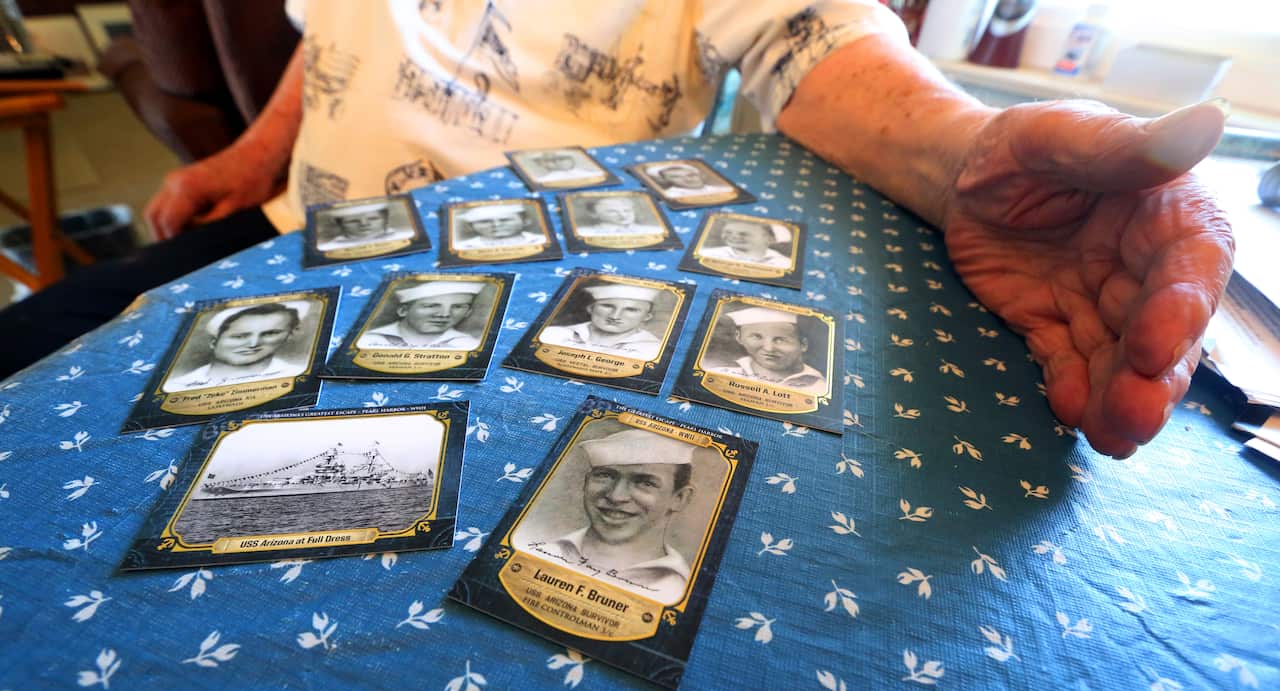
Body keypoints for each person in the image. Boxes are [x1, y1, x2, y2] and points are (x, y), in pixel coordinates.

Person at [5, 1, 1233, 459]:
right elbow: (332, 37)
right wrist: (246, 155)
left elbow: (822, 44)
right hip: (287, 236)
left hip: (526, 297)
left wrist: (965, 154)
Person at [530, 428, 696, 606]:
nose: (616, 496)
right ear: (586, 482)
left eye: (645, 483)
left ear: (680, 498)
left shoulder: (679, 590)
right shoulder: (541, 551)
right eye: (605, 476)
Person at [163, 302, 308, 392]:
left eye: (270, 334)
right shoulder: (176, 386)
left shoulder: (299, 374)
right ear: (214, 342)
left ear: (289, 335)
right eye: (240, 336)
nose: (253, 344)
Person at [711, 306, 826, 391]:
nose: (769, 348)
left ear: (803, 344)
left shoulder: (819, 388)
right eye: (757, 337)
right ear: (739, 337)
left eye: (780, 340)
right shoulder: (718, 374)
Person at [540, 283, 663, 360]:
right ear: (591, 308)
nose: (615, 316)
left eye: (631, 310)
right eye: (607, 306)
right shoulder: (552, 334)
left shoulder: (653, 349)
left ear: (647, 317)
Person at [356, 280, 483, 349]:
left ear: (468, 312)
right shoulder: (368, 340)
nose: (444, 314)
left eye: (457, 307)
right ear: (403, 310)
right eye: (431, 306)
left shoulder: (469, 345)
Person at [315, 200, 413, 250]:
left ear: (385, 219)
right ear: (340, 224)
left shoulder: (404, 235)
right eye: (353, 221)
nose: (364, 224)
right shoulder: (329, 245)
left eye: (373, 218)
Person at [699, 219, 792, 268]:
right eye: (728, 232)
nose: (733, 237)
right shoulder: (708, 254)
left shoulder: (784, 263)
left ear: (769, 239)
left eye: (743, 234)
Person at [452, 203, 546, 249]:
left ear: (525, 221)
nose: (496, 225)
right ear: (471, 226)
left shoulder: (542, 240)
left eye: (505, 220)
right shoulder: (460, 246)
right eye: (485, 221)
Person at [573, 195, 663, 237]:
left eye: (627, 210)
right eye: (612, 211)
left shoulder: (655, 230)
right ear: (594, 214)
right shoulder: (584, 232)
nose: (623, 215)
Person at [646, 162, 731, 198]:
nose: (687, 179)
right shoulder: (672, 194)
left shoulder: (724, 190)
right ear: (666, 181)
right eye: (676, 177)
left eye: (691, 175)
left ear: (700, 175)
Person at [524, 150, 605, 184]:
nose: (557, 162)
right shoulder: (544, 179)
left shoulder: (589, 173)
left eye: (561, 159)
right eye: (551, 161)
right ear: (542, 164)